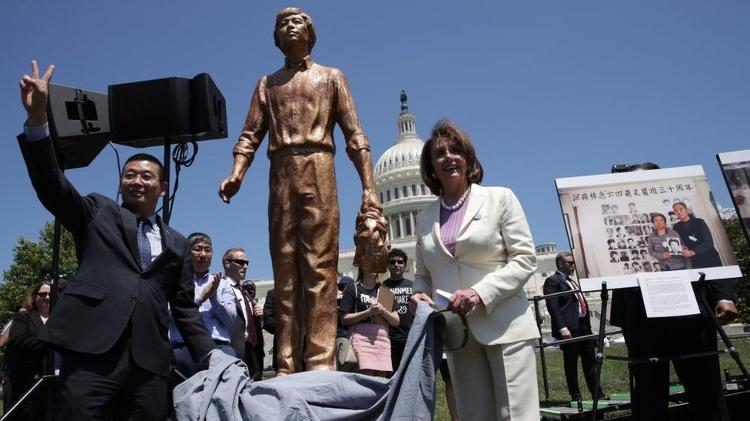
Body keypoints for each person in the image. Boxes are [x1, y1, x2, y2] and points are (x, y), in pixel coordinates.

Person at [17, 60, 215, 420]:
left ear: (163, 187)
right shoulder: (98, 211)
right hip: (92, 355)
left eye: (146, 176)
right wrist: (37, 122)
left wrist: (211, 354)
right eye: (129, 175)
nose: (136, 181)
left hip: (150, 366)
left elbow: (184, 308)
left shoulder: (178, 243)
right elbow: (52, 186)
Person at [218, 7, 381, 375]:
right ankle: (286, 363)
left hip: (320, 166)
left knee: (320, 269)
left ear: (310, 32)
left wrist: (369, 188)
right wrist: (237, 173)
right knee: (285, 271)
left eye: (297, 21)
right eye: (281, 24)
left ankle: (321, 361)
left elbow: (355, 136)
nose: (289, 26)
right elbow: (250, 135)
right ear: (276, 40)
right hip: (280, 173)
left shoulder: (332, 77)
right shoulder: (267, 84)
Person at [410, 120, 539, 421]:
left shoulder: (500, 198)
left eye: (456, 150)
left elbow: (524, 259)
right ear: (431, 167)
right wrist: (418, 295)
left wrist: (480, 293)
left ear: (468, 158)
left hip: (505, 325)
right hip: (458, 334)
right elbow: (422, 276)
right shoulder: (425, 217)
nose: (449, 157)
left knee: (516, 416)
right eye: (439, 154)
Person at [609, 162, 738, 421]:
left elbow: (709, 254)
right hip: (642, 315)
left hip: (690, 311)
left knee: (704, 384)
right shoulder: (627, 226)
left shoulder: (685, 225)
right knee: (649, 390)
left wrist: (723, 294)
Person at [170, 233, 237, 379]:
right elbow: (167, 314)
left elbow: (231, 320)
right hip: (184, 345)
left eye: (208, 250)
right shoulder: (173, 281)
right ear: (187, 252)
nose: (203, 254)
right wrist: (200, 299)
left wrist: (213, 299)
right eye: (197, 249)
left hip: (219, 345)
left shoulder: (223, 284)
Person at [543, 252, 605, 402]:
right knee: (571, 364)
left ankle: (598, 394)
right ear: (560, 264)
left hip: (583, 326)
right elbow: (553, 306)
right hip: (569, 329)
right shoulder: (552, 282)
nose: (572, 266)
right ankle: (576, 396)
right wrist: (562, 328)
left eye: (573, 263)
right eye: (569, 263)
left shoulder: (572, 281)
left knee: (590, 362)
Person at [5, 282, 52, 420]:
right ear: (34, 297)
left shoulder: (61, 319)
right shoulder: (23, 317)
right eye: (42, 294)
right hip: (27, 384)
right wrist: (51, 342)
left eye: (50, 294)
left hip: (53, 386)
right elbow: (19, 340)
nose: (47, 297)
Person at [339, 270, 399, 377]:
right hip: (360, 340)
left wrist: (383, 311)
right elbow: (344, 319)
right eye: (370, 263)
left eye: (376, 265)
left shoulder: (385, 291)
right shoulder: (353, 289)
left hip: (382, 341)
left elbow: (395, 321)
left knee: (381, 383)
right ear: (362, 265)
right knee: (365, 381)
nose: (374, 267)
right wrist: (368, 312)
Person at [221, 248, 264, 380]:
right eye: (240, 262)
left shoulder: (244, 291)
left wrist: (258, 314)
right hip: (235, 351)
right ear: (227, 264)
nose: (245, 266)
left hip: (254, 352)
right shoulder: (220, 288)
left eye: (247, 263)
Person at [383, 249, 414, 372]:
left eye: (400, 262)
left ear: (405, 266)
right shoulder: (384, 287)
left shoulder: (413, 285)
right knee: (393, 373)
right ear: (388, 265)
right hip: (391, 338)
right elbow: (384, 313)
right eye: (393, 262)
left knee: (410, 373)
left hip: (410, 335)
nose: (396, 264)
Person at [672, 202, 722, 268]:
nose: (679, 212)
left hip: (710, 257)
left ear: (687, 210)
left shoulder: (699, 222)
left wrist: (693, 252)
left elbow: (709, 242)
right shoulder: (676, 227)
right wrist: (681, 247)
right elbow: (678, 243)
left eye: (681, 209)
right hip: (695, 261)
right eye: (676, 211)